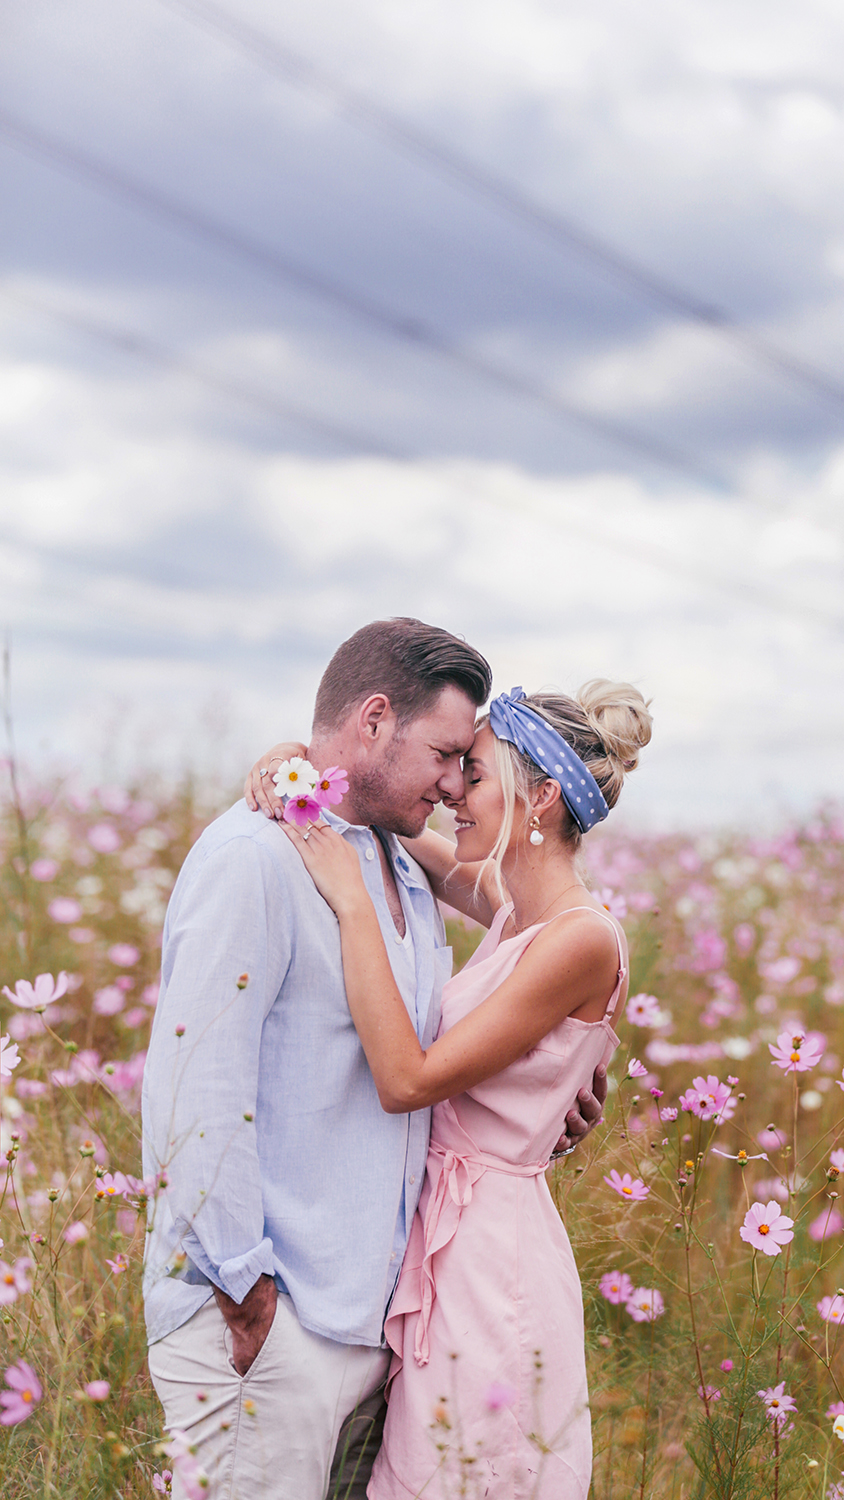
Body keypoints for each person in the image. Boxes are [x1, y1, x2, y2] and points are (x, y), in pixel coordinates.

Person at [140, 619, 605, 1500]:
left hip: (383, 1326)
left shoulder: (405, 866)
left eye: (471, 765)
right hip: (271, 1323)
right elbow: (192, 1086)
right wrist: (242, 1287)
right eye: (444, 754)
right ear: (375, 719)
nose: (453, 783)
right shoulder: (256, 857)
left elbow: (544, 956)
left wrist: (560, 1081)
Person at [266, 679, 652, 1499]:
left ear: (540, 796)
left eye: (471, 775)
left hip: (490, 1265)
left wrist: (350, 905)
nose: (451, 796)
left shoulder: (582, 938)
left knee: (468, 1474)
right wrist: (298, 768)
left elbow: (408, 1079)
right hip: (448, 1233)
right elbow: (396, 833)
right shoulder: (516, 911)